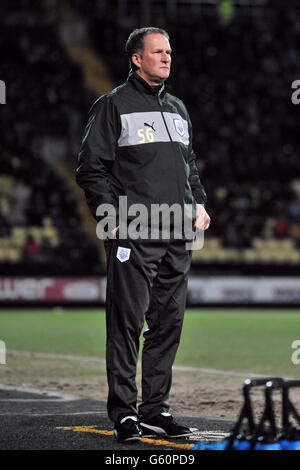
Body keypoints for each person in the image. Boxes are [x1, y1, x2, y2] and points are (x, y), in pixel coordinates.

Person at [76, 27, 210, 443]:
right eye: (158, 51)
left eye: (169, 51)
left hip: (177, 235)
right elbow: (90, 168)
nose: (167, 57)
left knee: (167, 324)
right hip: (133, 232)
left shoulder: (178, 108)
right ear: (137, 58)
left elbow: (189, 167)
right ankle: (124, 413)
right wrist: (109, 215)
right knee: (126, 325)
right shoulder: (113, 105)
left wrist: (199, 202)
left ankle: (156, 410)